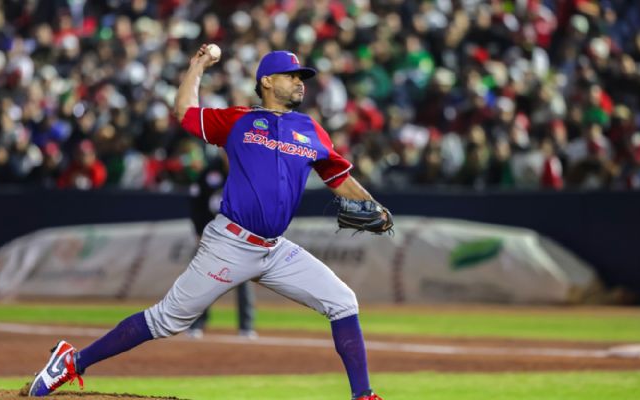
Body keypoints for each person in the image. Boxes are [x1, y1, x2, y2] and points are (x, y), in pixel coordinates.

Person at [27, 45, 388, 400]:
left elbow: (338, 177)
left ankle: (363, 395)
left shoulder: (310, 129)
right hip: (230, 244)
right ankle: (73, 361)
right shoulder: (239, 121)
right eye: (291, 75)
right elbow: (186, 111)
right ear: (266, 81)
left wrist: (375, 207)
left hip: (275, 250)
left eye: (302, 76)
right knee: (166, 320)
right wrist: (198, 66)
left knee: (342, 301)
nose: (300, 82)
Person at [185, 151, 256, 340]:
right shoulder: (208, 173)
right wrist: (199, 231)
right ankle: (196, 323)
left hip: (240, 237)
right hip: (211, 235)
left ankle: (246, 326)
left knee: (243, 281)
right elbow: (196, 204)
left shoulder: (247, 173)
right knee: (201, 281)